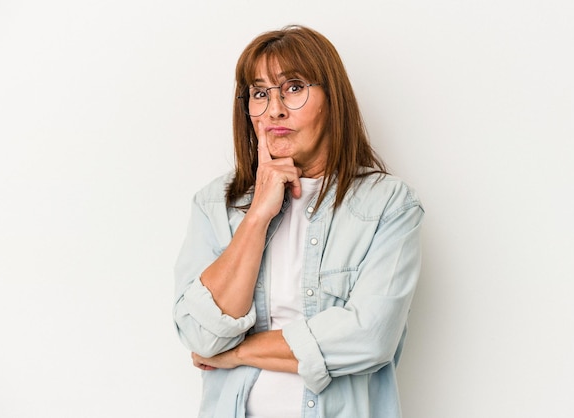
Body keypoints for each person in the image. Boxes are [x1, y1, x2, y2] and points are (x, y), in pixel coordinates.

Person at [173, 24, 424, 418]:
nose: (275, 109)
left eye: (293, 87)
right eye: (259, 93)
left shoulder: (388, 205)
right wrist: (257, 215)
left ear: (332, 99)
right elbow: (201, 335)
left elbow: (370, 337)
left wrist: (238, 352)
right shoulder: (215, 205)